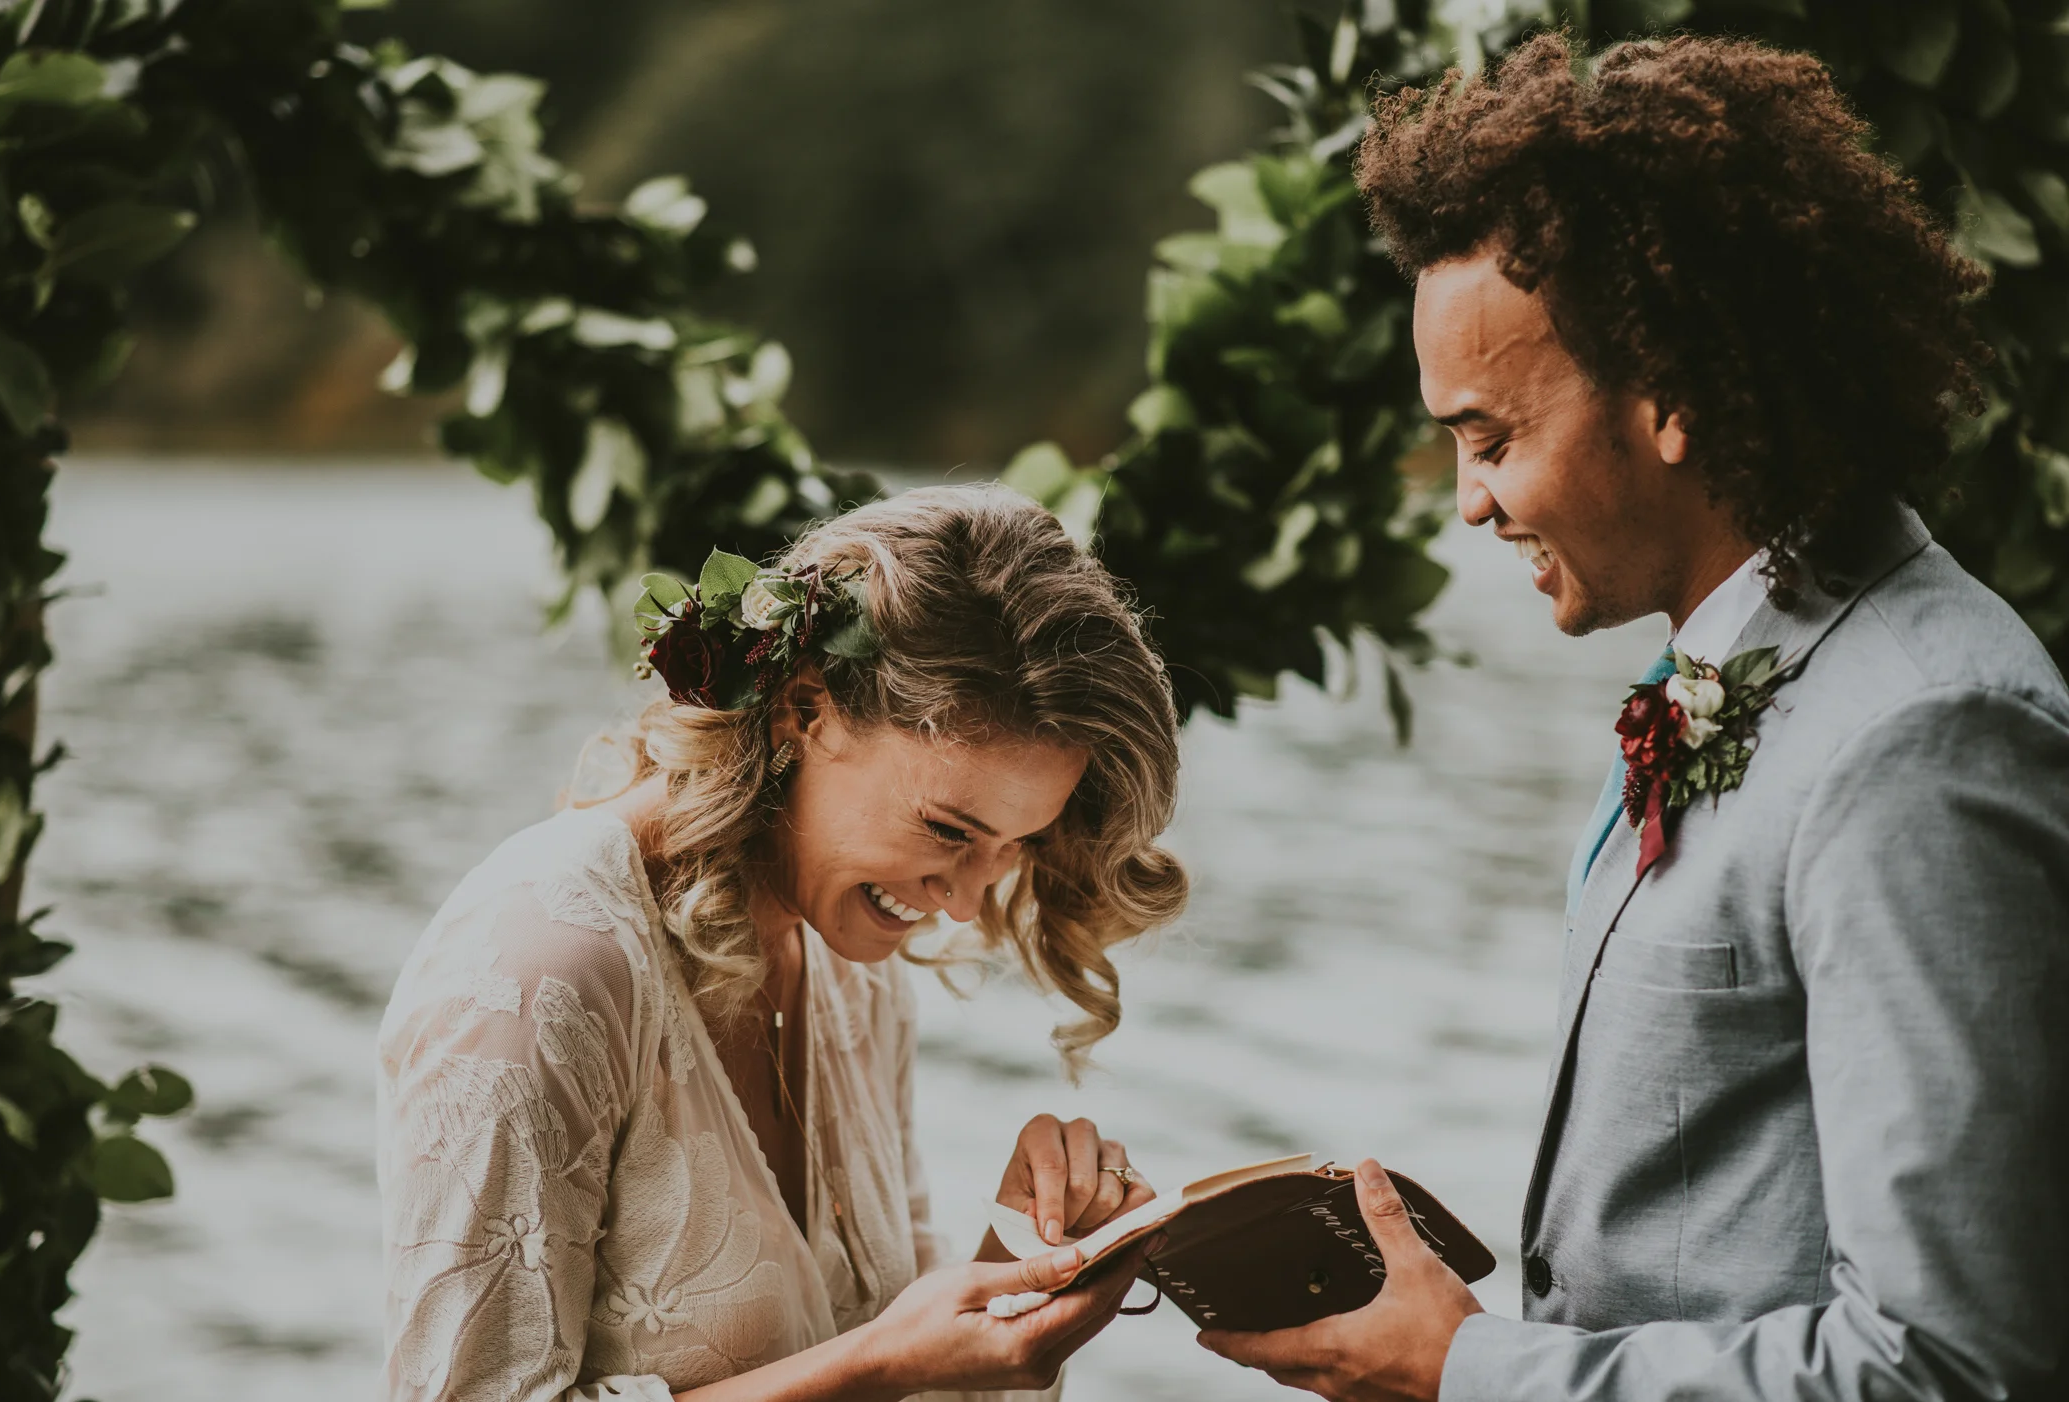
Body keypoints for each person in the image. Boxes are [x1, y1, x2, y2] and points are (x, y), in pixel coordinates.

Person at [1200, 32, 2069, 1402]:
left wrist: (1476, 1369)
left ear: (1664, 390)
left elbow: (1953, 1365)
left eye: (1491, 437)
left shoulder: (1924, 737)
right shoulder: (1735, 664)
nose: (1470, 500)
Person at [377, 484, 1188, 1400]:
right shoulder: (542, 970)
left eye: (1018, 844)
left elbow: (901, 1369)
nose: (964, 905)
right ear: (806, 709)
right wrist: (877, 1363)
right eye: (949, 831)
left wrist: (1023, 1259)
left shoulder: (854, 968)